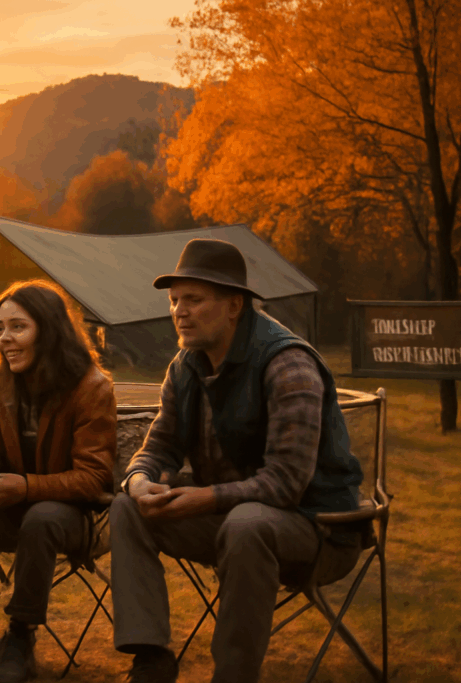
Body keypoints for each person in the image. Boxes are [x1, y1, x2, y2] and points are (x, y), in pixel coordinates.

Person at [110, 238, 365, 683]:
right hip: (232, 520)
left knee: (248, 523)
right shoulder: (184, 366)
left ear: (233, 305)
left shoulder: (287, 364)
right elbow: (160, 444)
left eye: (193, 299)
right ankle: (150, 659)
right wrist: (136, 478)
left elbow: (286, 483)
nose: (179, 312)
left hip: (319, 527)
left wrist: (207, 498)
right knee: (127, 507)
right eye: (174, 301)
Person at [0, 280, 116, 683]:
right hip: (15, 510)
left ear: (47, 330)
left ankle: (20, 638)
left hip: (77, 520)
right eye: (0, 328)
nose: (5, 339)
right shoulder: (4, 380)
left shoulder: (91, 387)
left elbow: (94, 478)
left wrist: (26, 486)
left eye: (18, 327)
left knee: (44, 516)